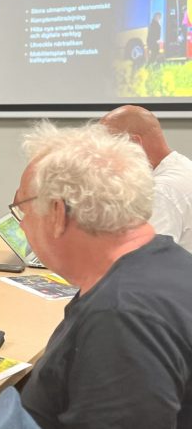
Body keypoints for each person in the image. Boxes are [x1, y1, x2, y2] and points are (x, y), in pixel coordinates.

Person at [13, 122, 192, 428]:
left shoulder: (121, 317)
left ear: (57, 213)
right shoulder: (170, 264)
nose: (22, 226)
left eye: (22, 209)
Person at [100, 105, 192, 252]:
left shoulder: (162, 192)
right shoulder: (183, 166)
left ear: (134, 144)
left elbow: (148, 262)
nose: (106, 162)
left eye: (109, 150)